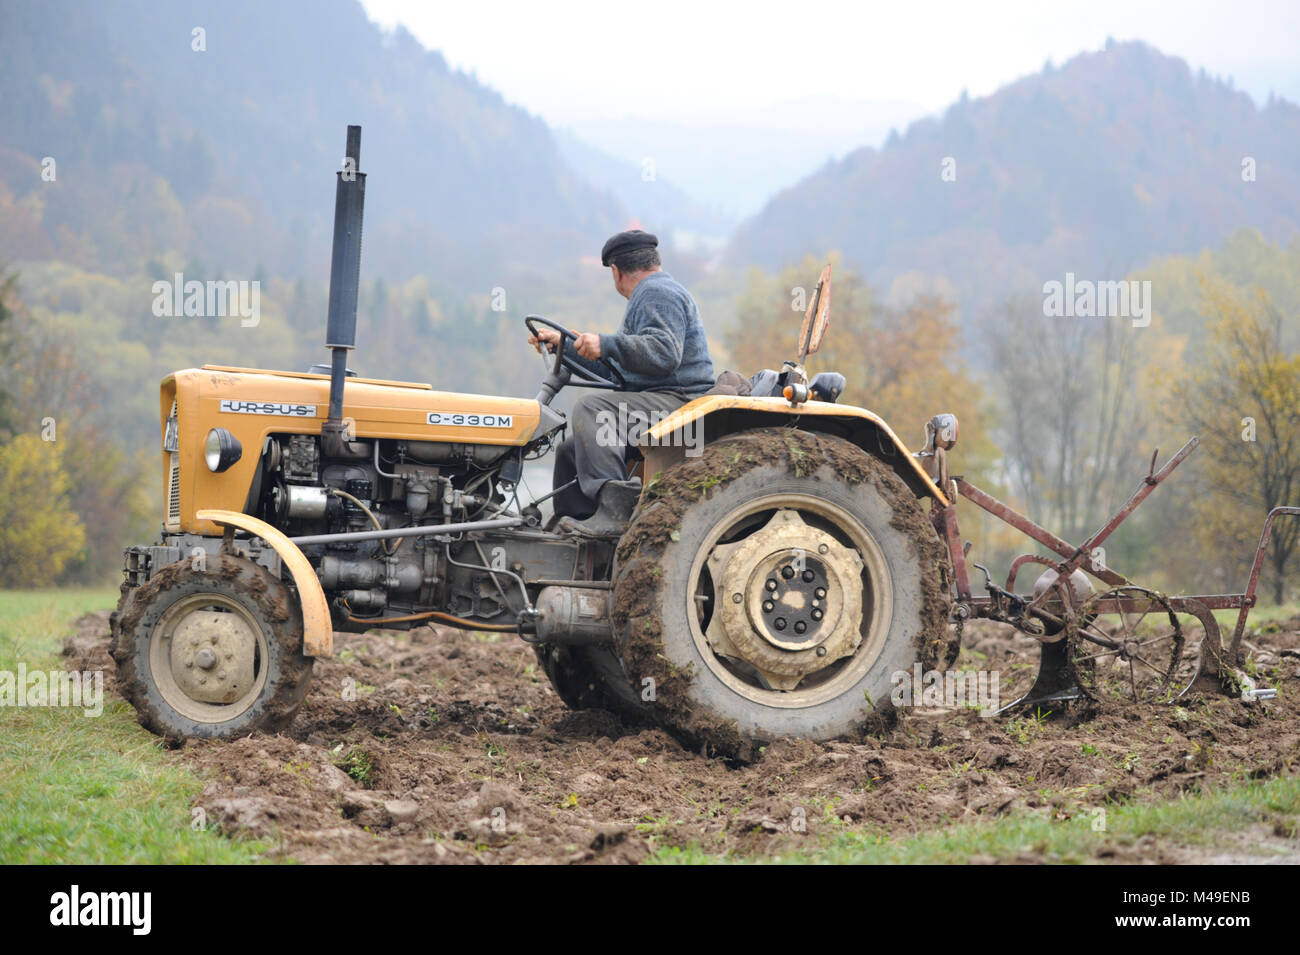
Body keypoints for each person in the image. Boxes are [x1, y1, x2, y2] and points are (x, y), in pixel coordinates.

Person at [528, 229, 715, 537]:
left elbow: (665, 353)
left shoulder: (657, 292)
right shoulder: (653, 293)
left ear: (616, 272)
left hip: (681, 404)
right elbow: (617, 372)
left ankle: (615, 513)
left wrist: (607, 343)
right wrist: (565, 345)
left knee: (591, 409)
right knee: (571, 451)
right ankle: (573, 524)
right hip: (657, 400)